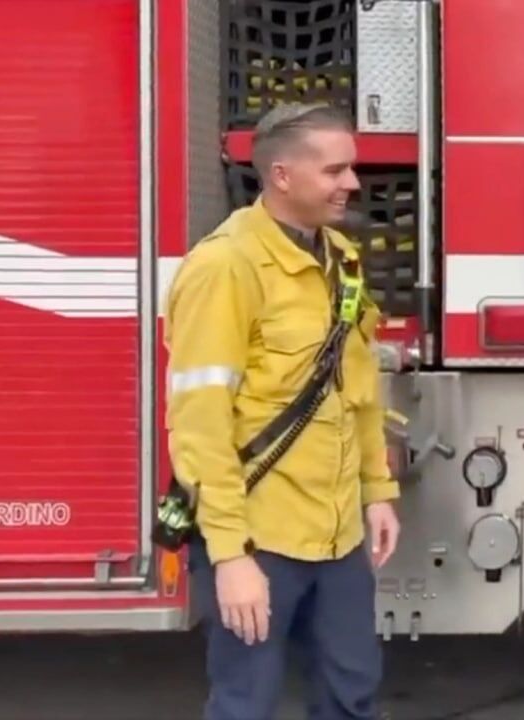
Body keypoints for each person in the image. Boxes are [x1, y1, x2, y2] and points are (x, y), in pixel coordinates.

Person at [164, 102, 400, 720]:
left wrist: (376, 491)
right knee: (246, 706)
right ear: (282, 176)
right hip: (259, 536)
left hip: (338, 535)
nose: (352, 183)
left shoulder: (340, 258)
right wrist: (231, 556)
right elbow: (200, 424)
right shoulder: (225, 267)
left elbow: (359, 389)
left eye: (351, 169)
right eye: (335, 170)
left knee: (352, 699)